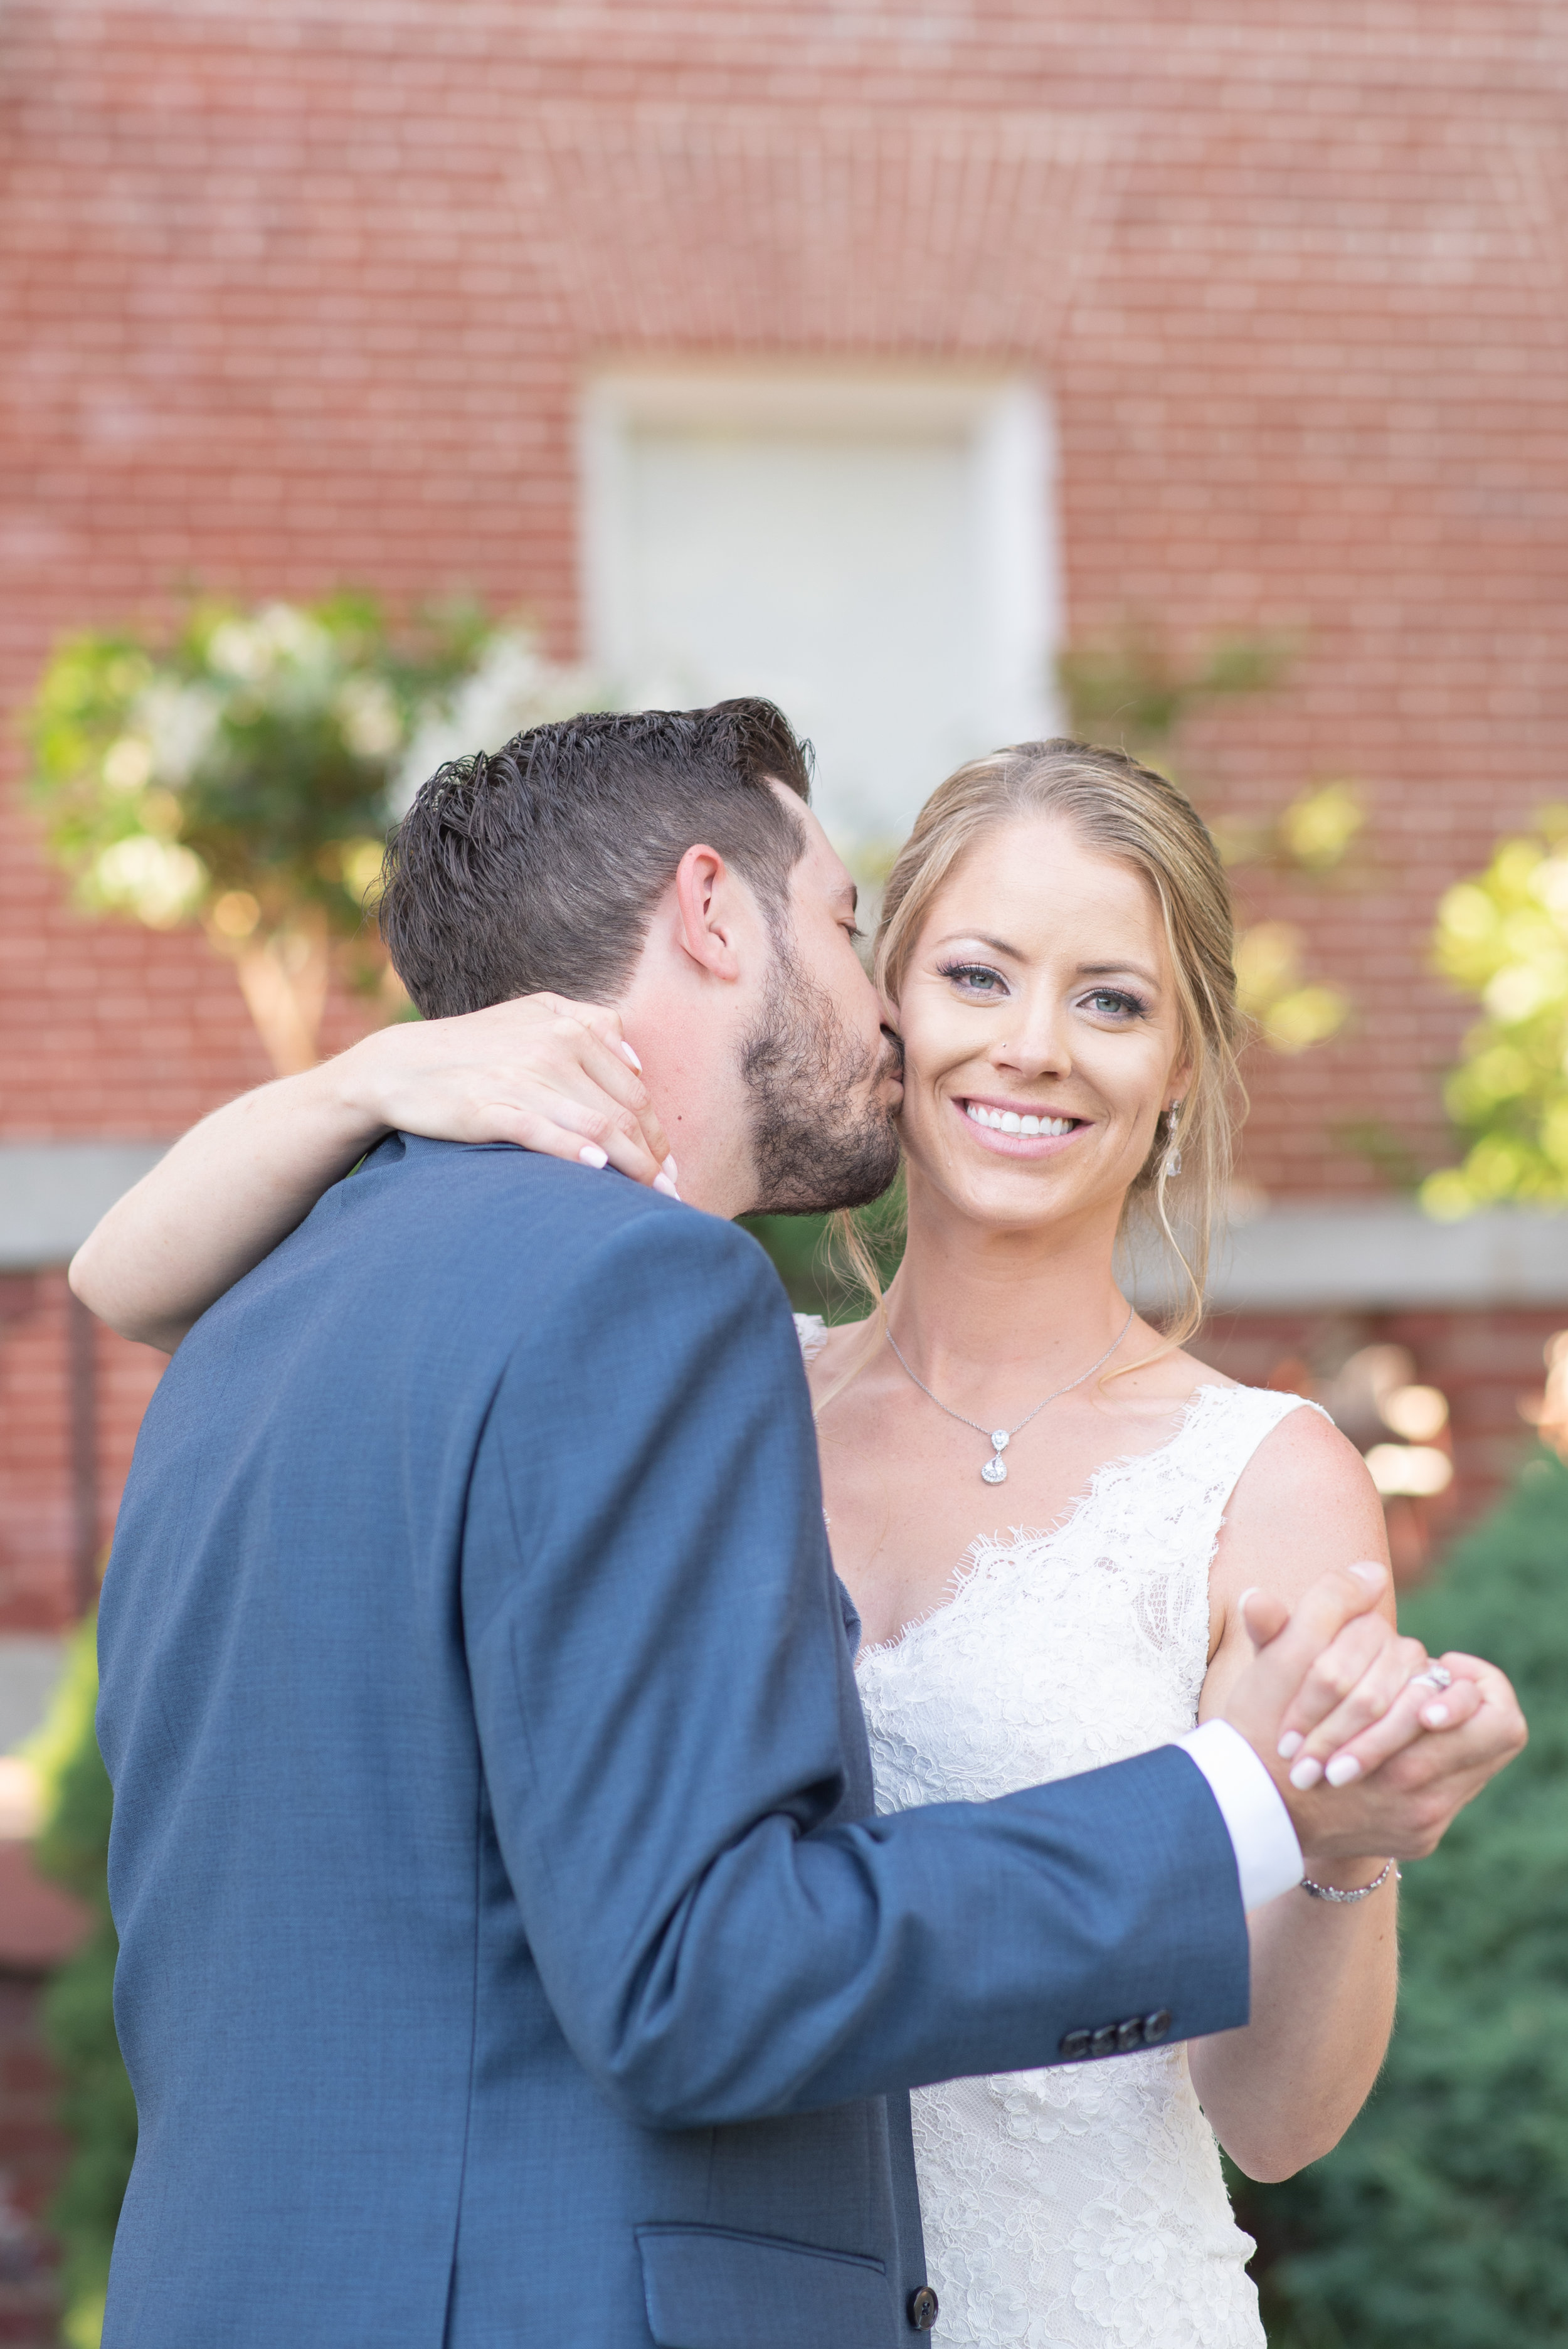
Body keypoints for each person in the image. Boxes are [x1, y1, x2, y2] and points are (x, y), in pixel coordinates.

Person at [77, 705, 1524, 2349]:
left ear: (1179, 1060)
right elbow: (126, 1274)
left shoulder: (1260, 1471)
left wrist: (1333, 1851)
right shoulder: (696, 1365)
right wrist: (378, 1068)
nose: (1034, 1042)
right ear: (886, 999)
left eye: (1109, 998)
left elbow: (1274, 2121)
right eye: (970, 972)